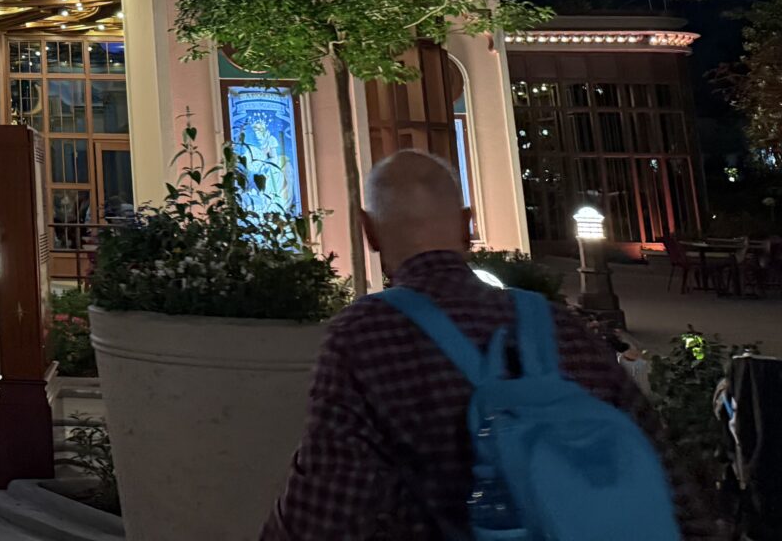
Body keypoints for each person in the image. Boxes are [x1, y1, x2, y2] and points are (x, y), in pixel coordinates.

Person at [262, 150, 703, 539]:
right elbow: (670, 483)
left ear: (368, 232)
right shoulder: (560, 325)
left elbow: (324, 513)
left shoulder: (363, 337)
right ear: (467, 224)